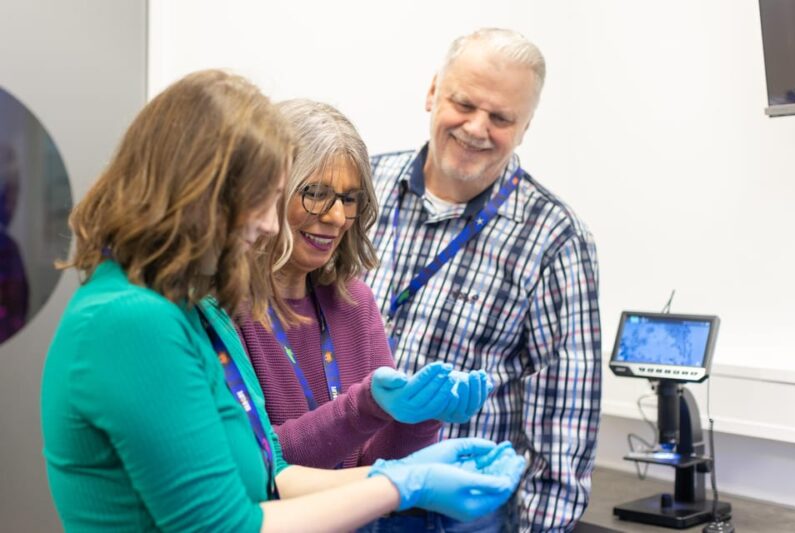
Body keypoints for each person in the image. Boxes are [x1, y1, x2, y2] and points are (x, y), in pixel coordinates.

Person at [40, 69, 526, 532]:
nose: (270, 225)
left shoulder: (188, 311)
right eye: (265, 199)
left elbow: (273, 472)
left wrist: (410, 468)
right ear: (202, 192)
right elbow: (227, 524)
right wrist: (401, 485)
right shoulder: (133, 321)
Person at [364, 28, 602, 531]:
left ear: (525, 127)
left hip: (449, 518)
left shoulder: (554, 239)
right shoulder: (361, 191)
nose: (476, 128)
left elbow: (566, 423)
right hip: (337, 491)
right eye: (464, 103)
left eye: (500, 118)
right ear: (432, 92)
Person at [236, 98, 492, 471]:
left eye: (349, 198)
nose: (338, 216)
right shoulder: (223, 309)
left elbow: (370, 465)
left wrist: (421, 417)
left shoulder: (354, 302)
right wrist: (362, 408)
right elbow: (258, 466)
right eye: (316, 194)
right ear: (270, 192)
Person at [0, 145, 29, 343]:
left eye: (15, 191)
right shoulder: (6, 249)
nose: (13, 202)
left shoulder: (8, 249)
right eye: (9, 192)